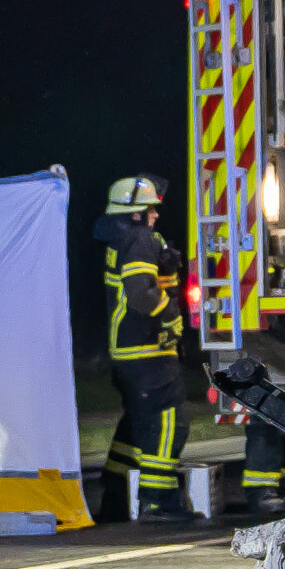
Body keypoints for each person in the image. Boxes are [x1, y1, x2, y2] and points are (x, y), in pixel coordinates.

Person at [97, 175, 195, 520]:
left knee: (137, 426)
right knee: (170, 421)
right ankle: (159, 500)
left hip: (129, 353)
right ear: (135, 213)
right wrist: (171, 316)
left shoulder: (121, 239)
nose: (156, 214)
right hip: (147, 352)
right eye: (150, 208)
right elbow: (140, 293)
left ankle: (115, 495)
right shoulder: (140, 239)